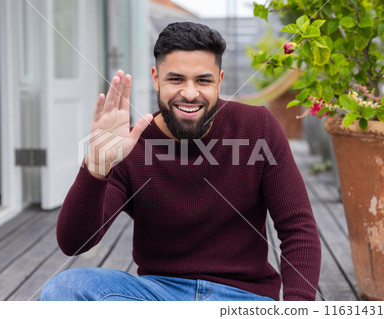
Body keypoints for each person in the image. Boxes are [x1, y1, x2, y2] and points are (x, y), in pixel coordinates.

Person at [40, 22, 321, 301]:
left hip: (242, 298)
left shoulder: (258, 127)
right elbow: (75, 243)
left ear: (220, 81)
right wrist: (97, 166)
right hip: (159, 294)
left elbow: (298, 228)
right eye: (176, 79)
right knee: (64, 289)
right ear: (155, 78)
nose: (189, 93)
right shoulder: (129, 145)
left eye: (203, 80)